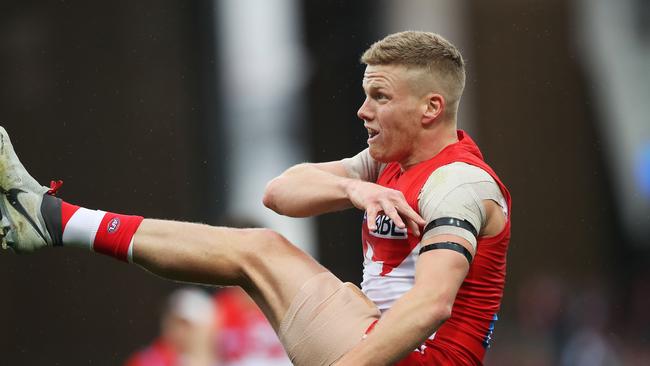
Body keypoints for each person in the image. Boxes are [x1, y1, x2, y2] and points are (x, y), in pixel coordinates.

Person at [0, 31, 511, 365]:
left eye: (379, 96)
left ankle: (54, 221)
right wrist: (355, 187)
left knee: (259, 251)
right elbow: (280, 192)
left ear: (431, 108)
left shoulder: (459, 185)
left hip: (408, 356)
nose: (362, 111)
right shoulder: (388, 164)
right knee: (257, 247)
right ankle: (53, 220)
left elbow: (431, 305)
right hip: (373, 339)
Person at [125, 287, 218, 366]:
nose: (178, 330)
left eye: (186, 324)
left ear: (209, 328)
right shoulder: (149, 360)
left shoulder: (228, 360)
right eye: (172, 320)